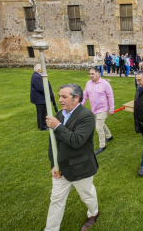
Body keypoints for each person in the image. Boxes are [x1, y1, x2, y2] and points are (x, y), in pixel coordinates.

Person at [44, 83, 99, 231]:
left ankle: (93, 213)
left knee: (87, 196)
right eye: (60, 96)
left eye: (64, 96)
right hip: (60, 168)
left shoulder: (86, 115)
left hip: (81, 167)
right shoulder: (59, 115)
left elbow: (77, 141)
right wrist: (53, 164)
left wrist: (57, 126)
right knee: (56, 200)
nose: (60, 99)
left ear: (76, 98)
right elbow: (53, 143)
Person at [82, 68, 114, 155]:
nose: (90, 75)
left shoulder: (105, 84)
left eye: (92, 74)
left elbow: (110, 96)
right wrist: (81, 105)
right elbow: (85, 96)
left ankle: (102, 145)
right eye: (90, 74)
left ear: (98, 74)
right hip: (94, 109)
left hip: (103, 109)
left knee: (98, 127)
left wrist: (111, 108)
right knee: (101, 123)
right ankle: (109, 136)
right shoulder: (88, 83)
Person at [30, 64, 55, 131]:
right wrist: (51, 94)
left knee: (41, 112)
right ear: (39, 70)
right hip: (40, 99)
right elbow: (42, 88)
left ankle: (40, 125)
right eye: (42, 68)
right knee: (42, 112)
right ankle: (43, 126)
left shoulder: (36, 75)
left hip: (39, 98)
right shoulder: (37, 77)